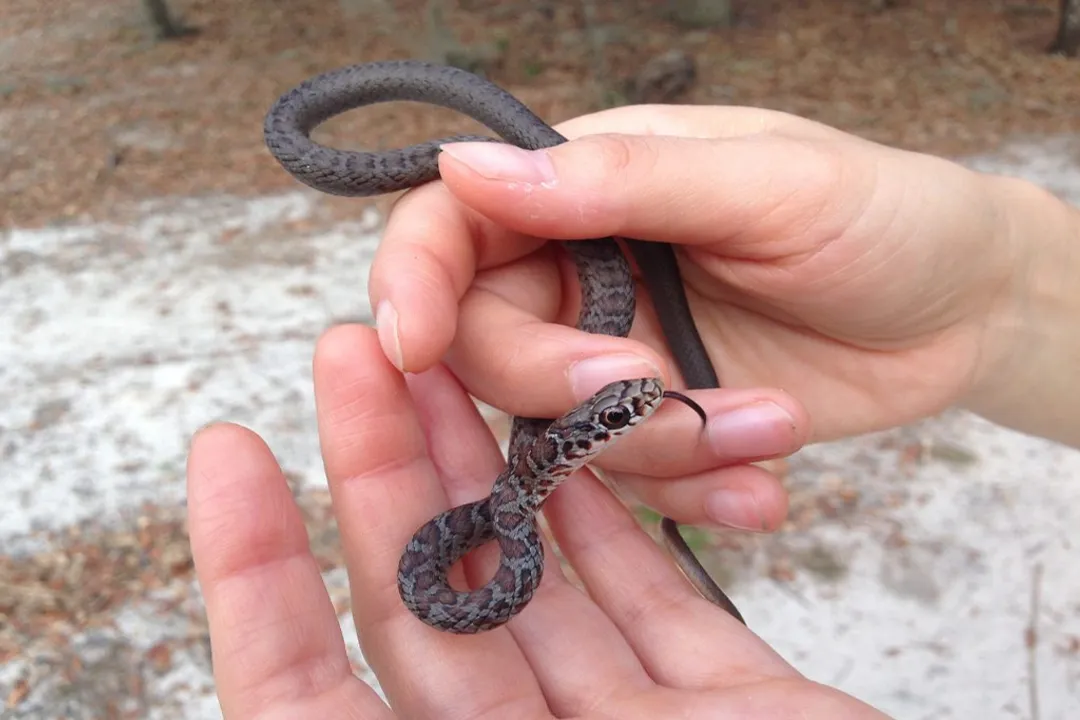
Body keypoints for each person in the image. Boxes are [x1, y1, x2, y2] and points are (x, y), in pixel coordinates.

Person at [186, 104, 1080, 719]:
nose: (642, 396)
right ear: (579, 445)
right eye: (618, 414)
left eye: (616, 414)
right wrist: (1000, 301)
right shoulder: (519, 504)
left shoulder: (529, 479)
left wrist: (996, 297)